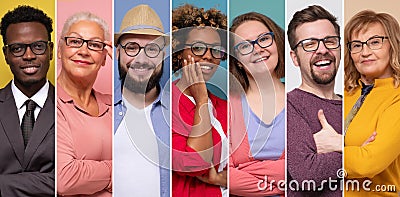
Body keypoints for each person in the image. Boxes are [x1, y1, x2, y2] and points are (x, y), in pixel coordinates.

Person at [171, 4, 228, 197]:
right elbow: (193, 164)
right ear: (179, 52)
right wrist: (201, 99)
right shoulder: (161, 104)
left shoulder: (225, 107)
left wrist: (223, 179)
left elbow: (247, 164)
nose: (207, 56)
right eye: (197, 48)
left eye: (216, 50)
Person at [113, 4, 170, 197]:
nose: (141, 58)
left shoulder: (183, 112)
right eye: (131, 48)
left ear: (163, 55)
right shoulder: (97, 111)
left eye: (152, 49)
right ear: (117, 52)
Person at [286, 5, 343, 196]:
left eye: (330, 41)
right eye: (310, 44)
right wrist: (361, 152)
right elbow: (307, 174)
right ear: (295, 57)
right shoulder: (288, 105)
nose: (322, 50)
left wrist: (341, 144)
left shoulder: (357, 103)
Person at [344, 10, 400, 196]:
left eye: (375, 42)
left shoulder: (397, 97)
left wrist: (335, 146)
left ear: (392, 45)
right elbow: (303, 155)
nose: (365, 52)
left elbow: (367, 164)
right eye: (357, 45)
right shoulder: (343, 93)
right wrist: (354, 151)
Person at [0, 5, 55, 196]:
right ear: (6, 55)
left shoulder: (73, 106)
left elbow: (68, 179)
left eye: (38, 46)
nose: (29, 55)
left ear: (50, 50)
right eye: (17, 49)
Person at [56, 12, 113, 196]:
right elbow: (65, 179)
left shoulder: (115, 105)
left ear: (105, 57)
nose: (83, 51)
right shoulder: (48, 103)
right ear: (59, 49)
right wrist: (120, 168)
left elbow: (149, 163)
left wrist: (124, 72)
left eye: (95, 45)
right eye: (74, 41)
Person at [229, 12, 285, 196]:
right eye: (244, 46)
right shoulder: (227, 106)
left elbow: (312, 169)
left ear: (277, 42)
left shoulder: (303, 98)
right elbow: (227, 177)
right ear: (237, 61)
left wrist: (246, 170)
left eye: (264, 39)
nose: (257, 49)